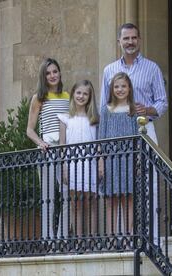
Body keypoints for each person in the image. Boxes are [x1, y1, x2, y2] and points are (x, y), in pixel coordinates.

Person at [100, 23, 168, 241]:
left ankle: (151, 238)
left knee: (148, 183)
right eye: (126, 38)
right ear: (119, 41)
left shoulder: (152, 68)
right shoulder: (109, 70)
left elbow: (163, 102)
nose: (130, 42)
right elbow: (104, 104)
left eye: (134, 38)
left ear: (139, 40)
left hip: (144, 127)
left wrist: (147, 110)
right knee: (117, 185)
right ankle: (119, 238)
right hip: (115, 132)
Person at [26, 57, 69, 239]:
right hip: (47, 151)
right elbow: (29, 129)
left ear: (59, 73)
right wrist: (40, 142)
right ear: (43, 77)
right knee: (48, 197)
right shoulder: (39, 98)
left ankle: (63, 237)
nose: (52, 76)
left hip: (67, 151)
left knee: (67, 196)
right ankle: (48, 239)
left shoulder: (67, 97)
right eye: (48, 73)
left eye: (55, 71)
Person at [58, 80, 99, 236]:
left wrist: (100, 165)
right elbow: (62, 145)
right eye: (79, 93)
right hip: (73, 165)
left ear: (90, 97)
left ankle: (92, 240)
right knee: (76, 204)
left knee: (91, 203)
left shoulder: (94, 120)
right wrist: (63, 167)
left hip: (90, 164)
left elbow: (99, 145)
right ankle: (79, 239)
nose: (81, 96)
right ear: (73, 94)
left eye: (85, 94)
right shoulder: (65, 118)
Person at [98, 72, 138, 235]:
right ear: (111, 89)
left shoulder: (133, 110)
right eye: (116, 86)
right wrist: (101, 160)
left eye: (123, 86)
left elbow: (137, 137)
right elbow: (101, 137)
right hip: (110, 161)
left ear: (129, 88)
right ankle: (112, 237)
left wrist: (137, 162)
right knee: (111, 199)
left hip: (128, 160)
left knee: (128, 198)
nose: (120, 89)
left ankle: (129, 236)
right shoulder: (106, 110)